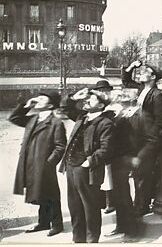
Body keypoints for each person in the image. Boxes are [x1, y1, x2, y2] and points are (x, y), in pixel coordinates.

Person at [60, 89, 114, 243]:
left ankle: (92, 240)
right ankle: (78, 239)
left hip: (88, 170)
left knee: (90, 207)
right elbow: (65, 108)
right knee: (74, 206)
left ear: (101, 105)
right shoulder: (82, 117)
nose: (87, 100)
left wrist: (89, 161)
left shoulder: (105, 123)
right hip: (72, 167)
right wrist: (74, 97)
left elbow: (106, 148)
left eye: (92, 99)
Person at [10, 91, 66, 237]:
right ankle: (43, 222)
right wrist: (25, 106)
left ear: (51, 104)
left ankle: (57, 224)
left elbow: (60, 146)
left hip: (44, 164)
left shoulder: (56, 122)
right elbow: (14, 118)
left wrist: (49, 163)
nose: (38, 100)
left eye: (42, 98)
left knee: (51, 192)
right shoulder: (33, 118)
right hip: (30, 162)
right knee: (39, 191)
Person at [122, 60, 162, 217]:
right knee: (138, 173)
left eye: (145, 72)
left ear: (153, 77)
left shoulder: (156, 96)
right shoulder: (141, 89)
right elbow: (126, 81)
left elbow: (159, 121)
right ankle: (141, 203)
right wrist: (131, 67)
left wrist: (152, 139)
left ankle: (142, 206)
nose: (141, 73)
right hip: (137, 137)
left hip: (149, 140)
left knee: (142, 172)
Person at [102, 86, 137, 239]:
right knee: (118, 195)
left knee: (123, 195)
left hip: (122, 159)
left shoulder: (125, 116)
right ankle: (121, 226)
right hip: (115, 159)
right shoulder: (114, 114)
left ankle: (130, 230)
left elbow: (131, 139)